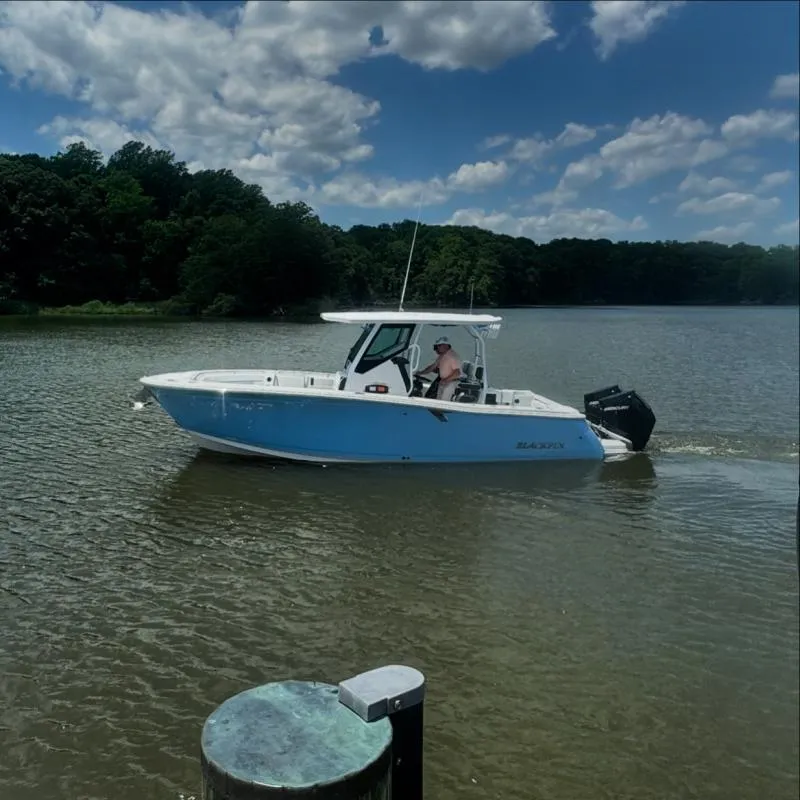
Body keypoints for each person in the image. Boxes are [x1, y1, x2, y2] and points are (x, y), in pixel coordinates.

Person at [415, 336, 462, 401]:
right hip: (443, 382)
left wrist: (446, 380)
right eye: (436, 346)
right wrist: (421, 373)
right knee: (439, 400)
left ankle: (441, 410)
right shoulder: (442, 356)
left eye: (438, 346)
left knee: (444, 401)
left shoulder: (452, 356)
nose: (437, 348)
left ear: (445, 345)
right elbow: (432, 367)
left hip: (451, 382)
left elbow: (457, 372)